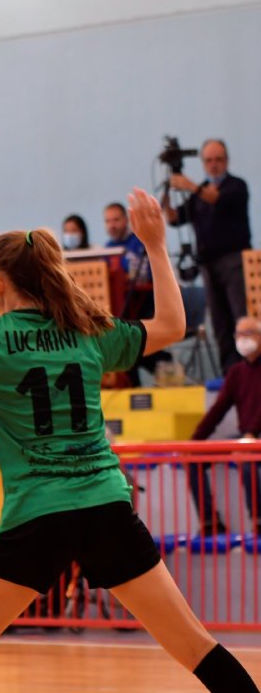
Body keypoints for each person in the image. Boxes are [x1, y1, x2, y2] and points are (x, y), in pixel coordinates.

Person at [0, 189, 258, 693]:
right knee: (196, 646)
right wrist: (156, 246)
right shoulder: (87, 331)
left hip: (37, 515)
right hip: (106, 508)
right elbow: (171, 325)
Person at [163, 139, 252, 370]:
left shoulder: (236, 186)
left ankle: (250, 372)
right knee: (220, 323)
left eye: (218, 159)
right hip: (208, 264)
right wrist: (167, 189)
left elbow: (216, 198)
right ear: (203, 163)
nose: (214, 165)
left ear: (227, 161)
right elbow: (174, 218)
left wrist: (190, 185)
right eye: (209, 160)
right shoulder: (198, 194)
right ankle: (230, 373)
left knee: (241, 319)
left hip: (234, 262)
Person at [186, 316, 261, 536]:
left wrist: (252, 433)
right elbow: (217, 410)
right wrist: (193, 442)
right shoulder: (236, 373)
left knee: (246, 461)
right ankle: (210, 522)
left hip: (253, 439)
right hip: (245, 439)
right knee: (193, 460)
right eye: (239, 334)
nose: (242, 339)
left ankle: (258, 521)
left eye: (248, 333)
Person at [104, 201, 172, 385]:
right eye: (108, 221)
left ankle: (167, 372)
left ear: (126, 220)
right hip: (120, 308)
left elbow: (146, 274)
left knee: (139, 345)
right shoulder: (107, 248)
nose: (112, 225)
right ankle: (132, 387)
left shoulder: (139, 241)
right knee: (126, 347)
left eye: (116, 220)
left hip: (145, 303)